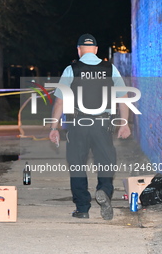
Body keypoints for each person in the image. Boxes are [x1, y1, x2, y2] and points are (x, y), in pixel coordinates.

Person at [49, 34, 131, 220]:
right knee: (106, 162)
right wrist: (124, 123)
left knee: (77, 165)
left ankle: (82, 208)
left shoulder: (72, 69)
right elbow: (123, 98)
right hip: (102, 124)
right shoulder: (110, 69)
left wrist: (54, 127)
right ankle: (104, 192)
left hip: (78, 124)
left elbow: (60, 102)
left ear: (79, 50)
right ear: (95, 50)